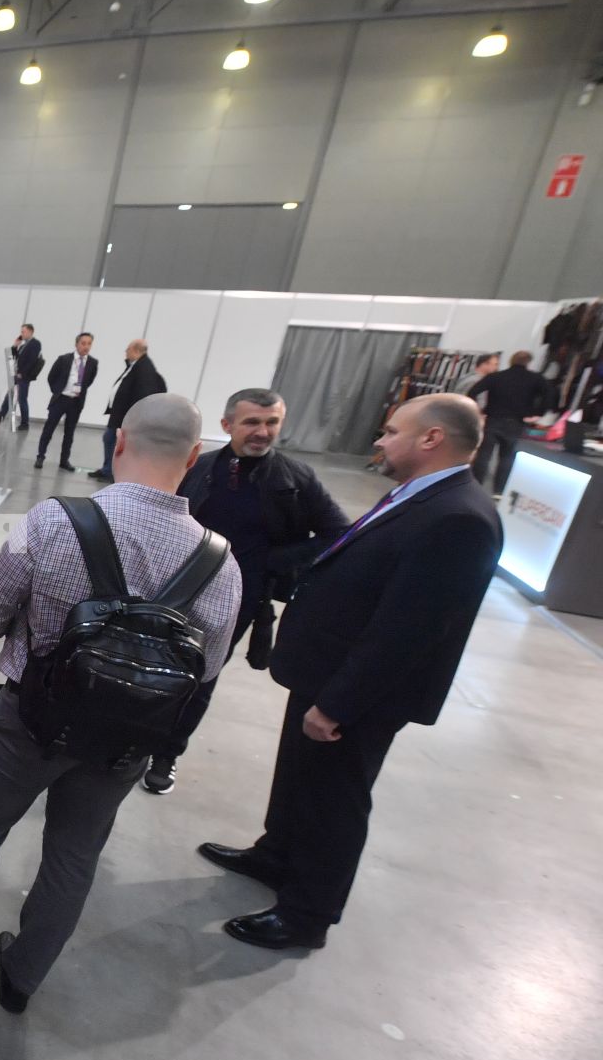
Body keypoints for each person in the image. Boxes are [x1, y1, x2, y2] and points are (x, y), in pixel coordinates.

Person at [0, 395, 242, 1014]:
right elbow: (205, 669)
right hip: (125, 742)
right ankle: (21, 977)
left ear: (118, 441)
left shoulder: (54, 521)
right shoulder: (221, 564)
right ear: (196, 457)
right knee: (73, 857)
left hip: (29, 722)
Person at [199, 394, 501, 951]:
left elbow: (408, 631)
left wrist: (339, 702)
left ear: (431, 438)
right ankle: (277, 855)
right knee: (298, 776)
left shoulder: (458, 518)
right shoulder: (421, 495)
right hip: (326, 670)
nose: (380, 442)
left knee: (333, 799)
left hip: (356, 693)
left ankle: (307, 914)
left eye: (390, 432)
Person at [141, 388, 349, 795]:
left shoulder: (296, 479)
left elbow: (340, 533)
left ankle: (167, 753)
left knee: (202, 677)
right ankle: (133, 737)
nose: (262, 431)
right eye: (252, 422)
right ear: (227, 425)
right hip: (175, 588)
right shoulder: (197, 468)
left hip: (238, 599)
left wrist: (277, 560)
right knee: (149, 661)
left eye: (272, 422)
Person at [467, 349, 555, 493]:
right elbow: (549, 395)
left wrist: (478, 411)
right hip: (516, 422)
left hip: (493, 419)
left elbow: (473, 392)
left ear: (511, 360)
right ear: (528, 362)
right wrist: (537, 413)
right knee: (507, 458)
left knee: (483, 456)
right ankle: (499, 492)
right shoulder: (536, 379)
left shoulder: (496, 376)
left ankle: (474, 488)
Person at [90, 339, 165, 483]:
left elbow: (143, 394)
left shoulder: (144, 368)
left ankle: (111, 472)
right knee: (110, 438)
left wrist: (133, 416)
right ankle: (107, 469)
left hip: (125, 416)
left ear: (136, 351)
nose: (126, 352)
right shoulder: (136, 365)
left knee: (112, 439)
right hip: (119, 414)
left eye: (128, 349)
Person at [33, 333, 98, 471]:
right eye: (83, 343)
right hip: (61, 399)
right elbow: (51, 377)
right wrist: (57, 390)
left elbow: (89, 381)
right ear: (76, 344)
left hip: (76, 402)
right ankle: (40, 456)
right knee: (49, 428)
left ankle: (64, 460)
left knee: (69, 433)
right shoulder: (64, 359)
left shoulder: (93, 363)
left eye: (89, 343)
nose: (86, 346)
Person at [0, 324, 44, 430]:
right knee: (9, 395)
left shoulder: (35, 344)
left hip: (24, 376)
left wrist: (22, 373)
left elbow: (31, 361)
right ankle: (0, 416)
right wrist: (15, 346)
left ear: (30, 332)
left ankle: (25, 423)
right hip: (17, 374)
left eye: (23, 332)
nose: (21, 334)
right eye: (21, 331)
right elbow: (15, 357)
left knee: (22, 399)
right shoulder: (24, 345)